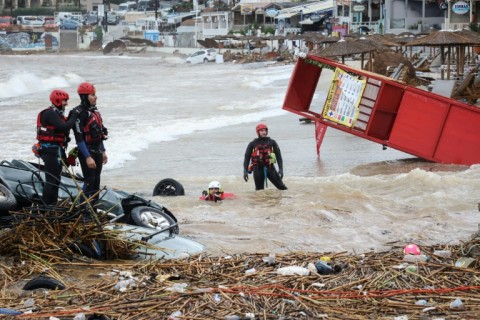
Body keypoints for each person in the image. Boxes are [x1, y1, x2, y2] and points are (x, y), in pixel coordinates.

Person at [36, 89, 80, 205]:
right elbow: (64, 127)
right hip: (49, 150)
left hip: (56, 150)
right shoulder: (50, 113)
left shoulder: (57, 114)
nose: (66, 103)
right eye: (65, 100)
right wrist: (74, 115)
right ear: (57, 100)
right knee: (52, 180)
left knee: (56, 179)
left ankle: (52, 205)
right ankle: (47, 207)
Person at [70, 82, 108, 204]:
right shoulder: (79, 113)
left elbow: (99, 135)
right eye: (92, 95)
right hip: (86, 151)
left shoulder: (94, 112)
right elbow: (79, 138)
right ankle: (83, 210)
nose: (96, 97)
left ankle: (93, 210)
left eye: (95, 94)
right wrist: (87, 157)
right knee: (89, 181)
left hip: (97, 150)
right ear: (84, 96)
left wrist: (103, 151)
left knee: (96, 182)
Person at [243, 123, 287, 190]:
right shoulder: (252, 144)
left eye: (265, 130)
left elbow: (279, 157)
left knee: (282, 188)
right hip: (257, 170)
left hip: (270, 168)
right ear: (258, 132)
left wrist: (281, 169)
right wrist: (245, 171)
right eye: (261, 130)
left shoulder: (272, 142)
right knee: (259, 191)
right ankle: (263, 200)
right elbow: (247, 158)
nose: (264, 132)